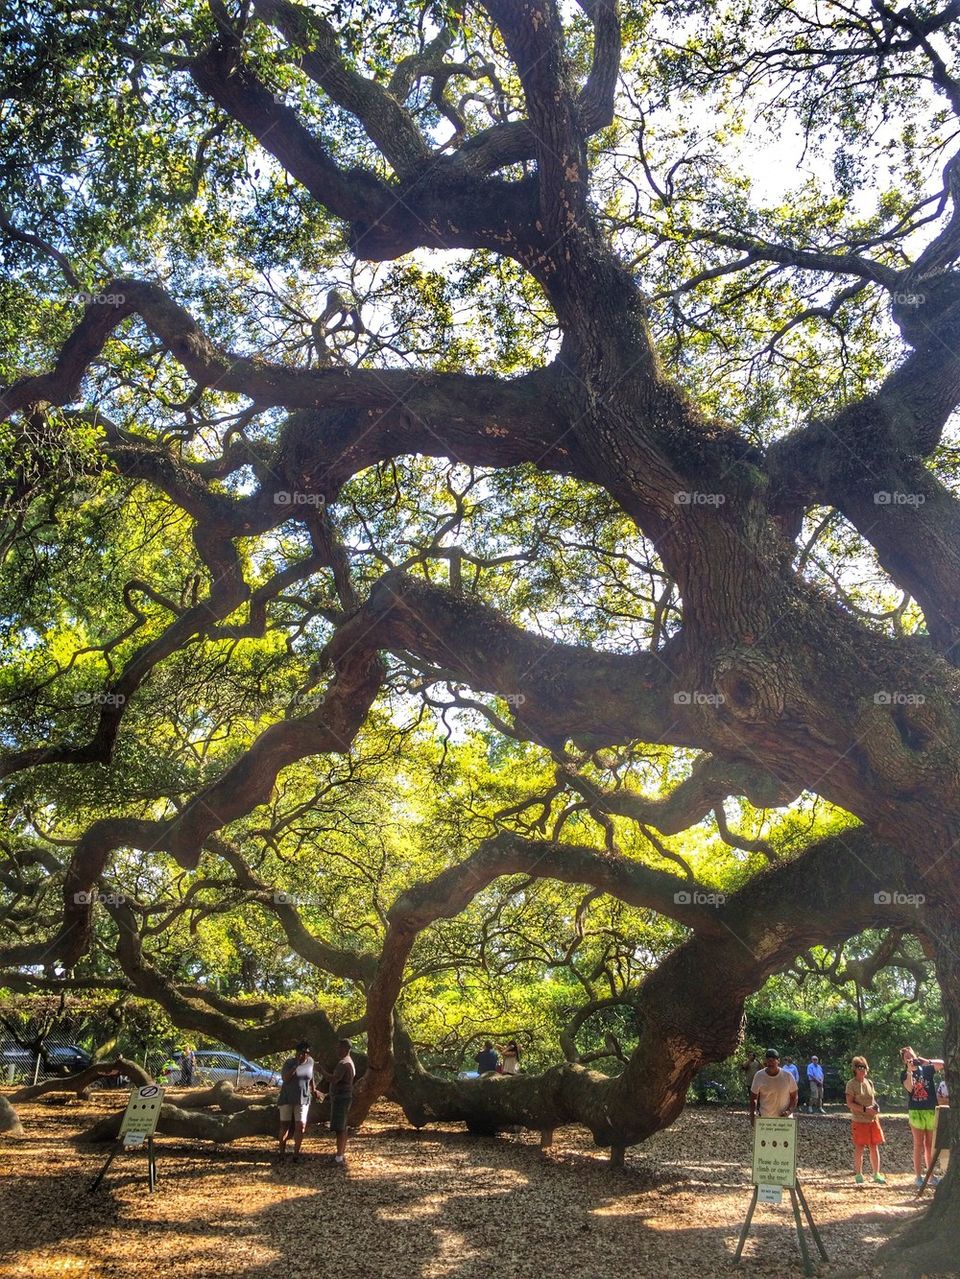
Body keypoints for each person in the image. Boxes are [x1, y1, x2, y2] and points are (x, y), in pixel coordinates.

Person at [900, 1045, 945, 1187]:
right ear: (903, 1061)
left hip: (930, 1110)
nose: (910, 1058)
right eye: (906, 1057)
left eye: (911, 1055)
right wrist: (909, 1071)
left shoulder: (927, 1069)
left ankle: (931, 1175)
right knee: (918, 1144)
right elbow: (910, 1088)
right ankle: (918, 1177)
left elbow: (943, 1064)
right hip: (916, 1111)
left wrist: (925, 1061)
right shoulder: (904, 1074)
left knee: (929, 1145)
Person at [277, 1040, 319, 1163]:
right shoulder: (289, 1063)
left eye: (307, 1052)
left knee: (300, 1126)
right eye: (303, 1052)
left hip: (303, 1098)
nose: (305, 1055)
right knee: (285, 1126)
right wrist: (296, 1066)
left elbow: (311, 1078)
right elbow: (285, 1078)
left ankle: (296, 1154)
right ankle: (281, 1153)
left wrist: (314, 1090)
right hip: (287, 1098)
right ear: (297, 1053)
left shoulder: (310, 1062)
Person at [845, 1056, 885, 1184]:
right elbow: (850, 1103)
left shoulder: (869, 1082)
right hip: (859, 1120)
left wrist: (875, 1108)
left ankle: (876, 1174)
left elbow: (872, 1101)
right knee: (860, 1147)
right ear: (855, 1069)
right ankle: (858, 1175)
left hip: (873, 1120)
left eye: (864, 1067)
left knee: (874, 1146)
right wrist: (864, 1109)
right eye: (860, 1067)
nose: (863, 1070)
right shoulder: (851, 1084)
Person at [319, 1038, 356, 1165]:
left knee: (340, 1128)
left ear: (345, 1048)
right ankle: (340, 1155)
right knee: (342, 1127)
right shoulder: (349, 1062)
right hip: (342, 1097)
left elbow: (334, 1079)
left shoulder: (344, 1063)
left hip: (341, 1099)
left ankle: (339, 1157)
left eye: (339, 1047)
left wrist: (321, 1071)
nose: (337, 1049)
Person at [749, 1049, 798, 1122]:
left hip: (784, 1120)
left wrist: (789, 1111)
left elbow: (794, 1097)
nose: (770, 1064)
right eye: (768, 1061)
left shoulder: (788, 1076)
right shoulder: (759, 1076)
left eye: (772, 1061)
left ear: (778, 1061)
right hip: (765, 1120)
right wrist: (753, 1117)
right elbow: (753, 1098)